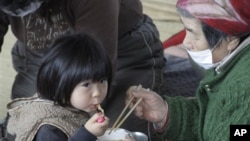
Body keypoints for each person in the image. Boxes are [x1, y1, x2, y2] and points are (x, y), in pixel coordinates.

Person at [0, 0, 166, 140]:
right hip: (45, 55)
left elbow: (97, 69)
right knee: (23, 123)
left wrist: (86, 130)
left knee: (120, 129)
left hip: (117, 51)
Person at [126, 0, 250, 140]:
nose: (186, 43)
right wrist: (165, 113)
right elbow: (213, 120)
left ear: (231, 39)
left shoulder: (244, 86)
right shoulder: (227, 63)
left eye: (194, 35)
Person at [5, 32, 135, 141]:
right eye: (86, 84)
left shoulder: (72, 105)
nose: (97, 92)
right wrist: (87, 134)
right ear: (60, 83)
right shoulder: (48, 128)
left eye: (102, 80)